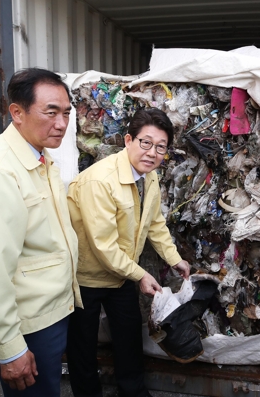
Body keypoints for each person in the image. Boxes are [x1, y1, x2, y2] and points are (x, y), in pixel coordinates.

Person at [0, 68, 82, 397]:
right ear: (17, 112)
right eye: (50, 112)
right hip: (27, 325)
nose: (61, 124)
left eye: (67, 113)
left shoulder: (39, 158)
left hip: (48, 314)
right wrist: (10, 346)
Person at [66, 108, 191, 397]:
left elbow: (154, 223)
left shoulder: (150, 177)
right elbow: (104, 245)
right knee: (82, 347)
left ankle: (132, 392)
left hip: (121, 275)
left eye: (161, 147)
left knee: (129, 337)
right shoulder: (100, 181)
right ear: (128, 140)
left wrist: (174, 259)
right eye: (145, 142)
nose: (152, 152)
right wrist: (140, 275)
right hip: (85, 277)